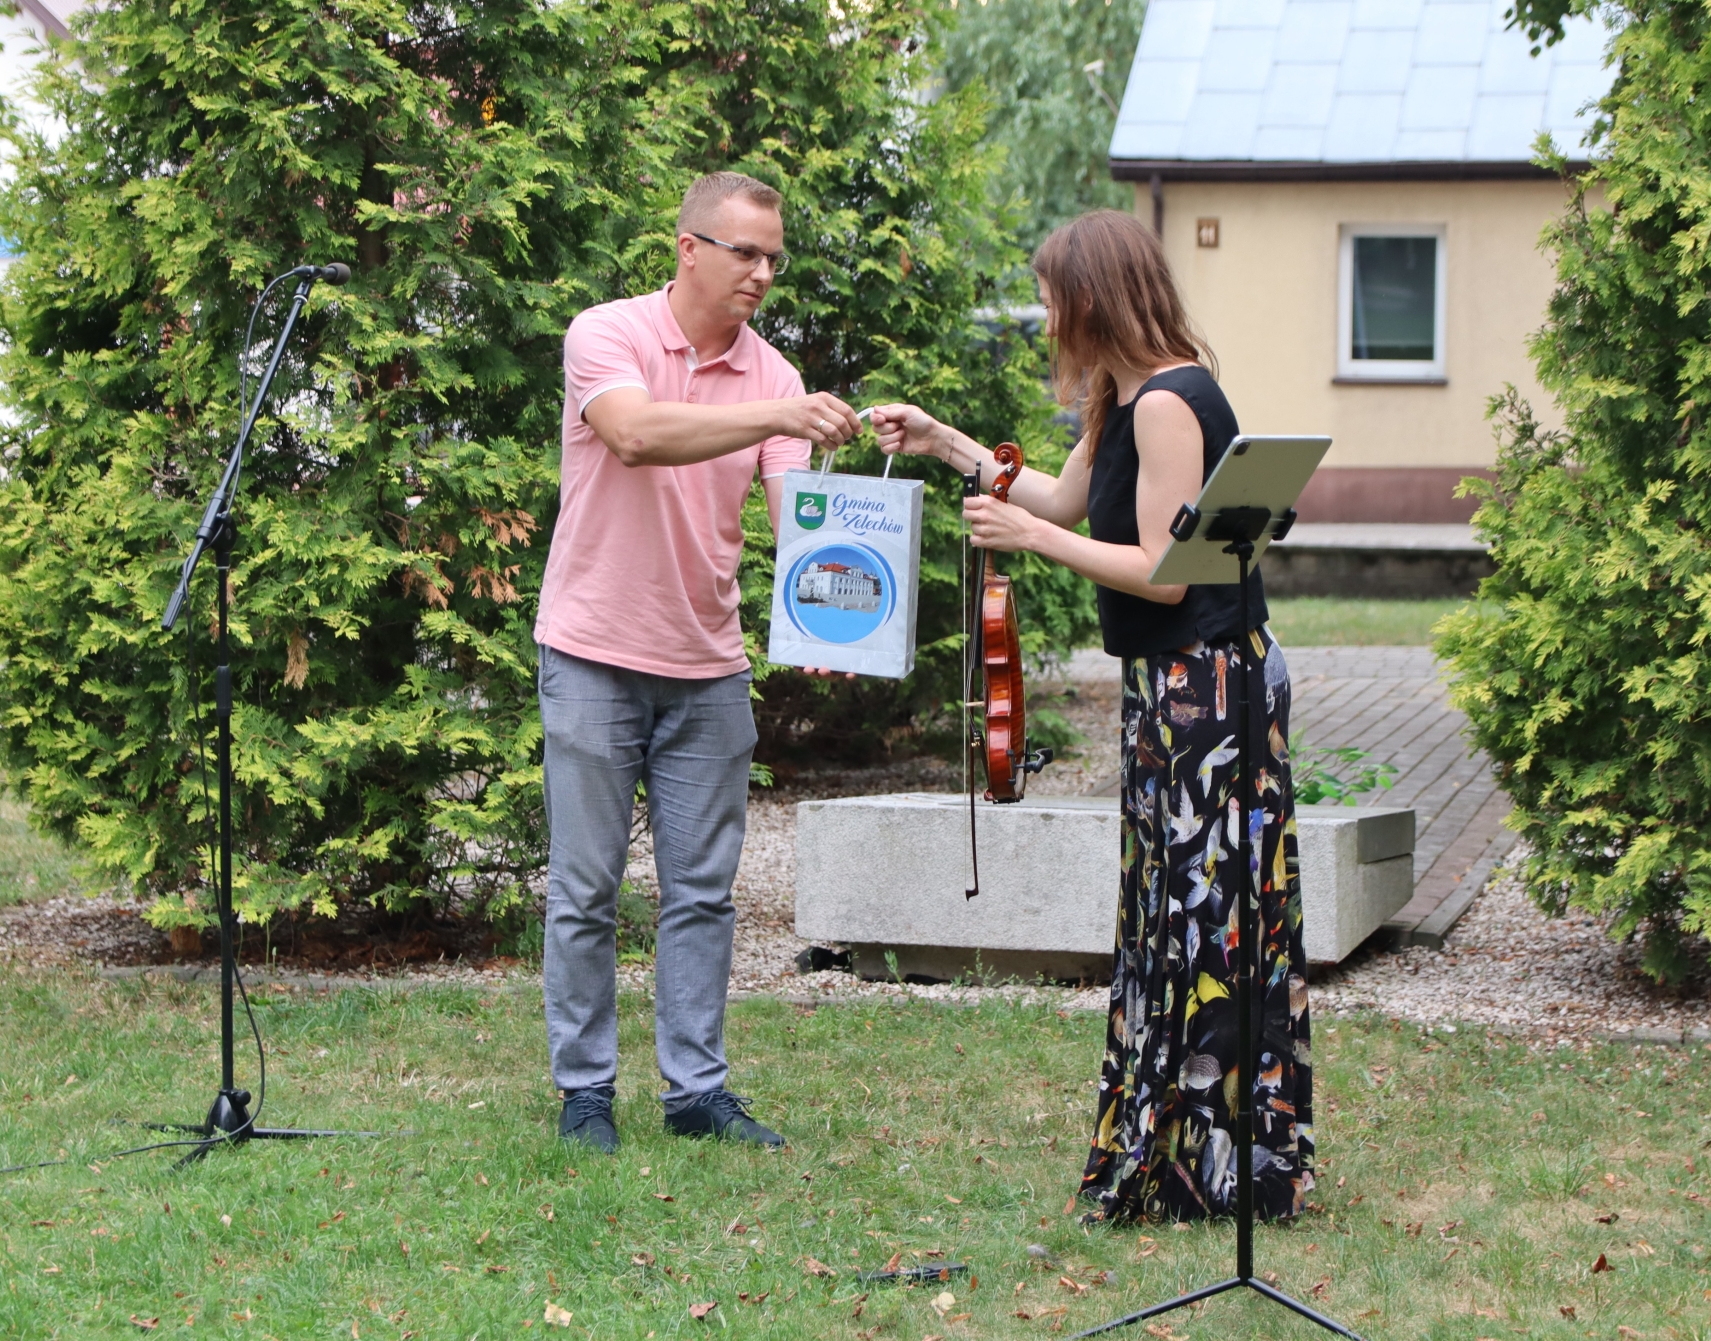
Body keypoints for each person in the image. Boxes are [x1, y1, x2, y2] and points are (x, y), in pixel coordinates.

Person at [871, 209, 1313, 1222]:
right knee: (1171, 916)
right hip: (1174, 686)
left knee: (1205, 922)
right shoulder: (1120, 393)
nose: (1044, 318)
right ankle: (1187, 1146)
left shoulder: (1168, 404)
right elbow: (1064, 501)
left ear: (1092, 300)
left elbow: (1162, 573)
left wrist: (1025, 539)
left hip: (1209, 689)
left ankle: (1214, 1161)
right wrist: (943, 442)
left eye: (1050, 299)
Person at [535, 171, 862, 1154]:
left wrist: (834, 621)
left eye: (773, 258)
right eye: (743, 253)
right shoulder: (608, 333)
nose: (761, 273)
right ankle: (585, 1093)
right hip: (591, 652)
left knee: (702, 895)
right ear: (688, 248)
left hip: (709, 666)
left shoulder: (775, 377)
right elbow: (634, 434)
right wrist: (776, 418)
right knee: (586, 892)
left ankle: (696, 1093)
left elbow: (797, 525)